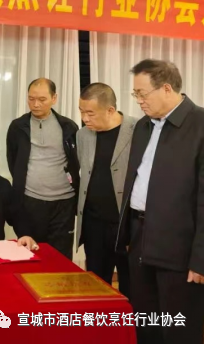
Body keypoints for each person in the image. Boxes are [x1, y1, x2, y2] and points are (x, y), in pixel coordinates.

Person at [117, 59, 204, 344]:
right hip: (140, 236)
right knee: (146, 320)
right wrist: (128, 235)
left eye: (142, 93)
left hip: (179, 247)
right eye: (135, 94)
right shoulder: (143, 126)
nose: (138, 100)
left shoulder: (199, 125)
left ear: (166, 88)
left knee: (178, 327)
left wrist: (201, 259)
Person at [6, 78, 80, 259]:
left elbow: (75, 160)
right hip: (31, 200)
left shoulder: (68, 126)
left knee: (60, 257)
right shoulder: (18, 127)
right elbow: (13, 160)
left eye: (42, 99)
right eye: (31, 99)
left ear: (54, 98)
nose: (36, 104)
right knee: (30, 254)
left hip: (64, 202)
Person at [77, 83, 136, 297]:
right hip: (94, 225)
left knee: (131, 286)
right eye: (81, 111)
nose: (85, 118)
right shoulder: (83, 135)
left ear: (110, 110)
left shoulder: (138, 130)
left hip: (126, 226)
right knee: (96, 286)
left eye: (90, 113)